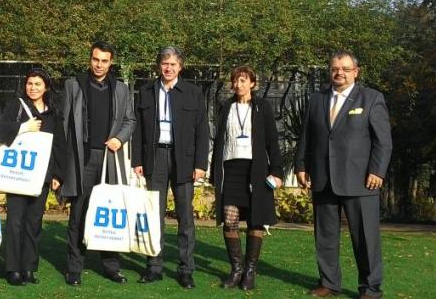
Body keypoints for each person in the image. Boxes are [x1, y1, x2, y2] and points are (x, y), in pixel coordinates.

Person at [296, 50, 392, 299]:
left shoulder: (371, 98)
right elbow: (306, 136)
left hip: (361, 180)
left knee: (365, 239)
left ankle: (370, 289)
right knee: (325, 237)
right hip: (323, 178)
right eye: (335, 69)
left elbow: (383, 141)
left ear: (355, 72)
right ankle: (328, 283)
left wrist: (377, 171)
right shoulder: (316, 99)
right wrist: (301, 166)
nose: (339, 73)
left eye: (345, 69)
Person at [132, 46, 210, 289]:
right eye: (165, 64)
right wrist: (137, 160)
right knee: (154, 215)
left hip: (183, 160)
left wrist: (200, 164)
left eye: (173, 64)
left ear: (180, 67)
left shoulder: (193, 92)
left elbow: (202, 130)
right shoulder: (146, 91)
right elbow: (137, 130)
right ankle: (154, 267)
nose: (168, 68)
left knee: (185, 218)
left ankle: (186, 270)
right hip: (155, 157)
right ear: (159, 66)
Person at [61, 41, 136, 286]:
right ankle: (74, 267)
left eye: (104, 61)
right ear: (90, 59)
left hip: (109, 158)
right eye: (96, 59)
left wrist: (119, 139)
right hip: (82, 159)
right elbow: (64, 122)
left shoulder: (121, 89)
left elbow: (130, 121)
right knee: (79, 213)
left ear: (111, 62)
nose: (99, 65)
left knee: (109, 212)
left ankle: (111, 267)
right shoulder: (73, 85)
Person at [210, 66, 284, 290]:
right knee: (229, 218)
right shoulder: (226, 106)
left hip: (256, 170)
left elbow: (272, 141)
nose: (238, 85)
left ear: (252, 83)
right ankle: (236, 269)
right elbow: (219, 140)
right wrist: (214, 173)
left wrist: (277, 172)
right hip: (230, 169)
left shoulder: (262, 107)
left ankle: (250, 271)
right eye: (235, 81)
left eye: (243, 80)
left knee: (255, 219)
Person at [0, 68, 68, 286]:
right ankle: (13, 269)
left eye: (38, 84)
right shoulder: (16, 106)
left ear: (46, 87)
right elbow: (0, 130)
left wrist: (57, 174)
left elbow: (59, 144)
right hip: (18, 175)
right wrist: (24, 127)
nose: (33, 88)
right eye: (30, 83)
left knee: (34, 223)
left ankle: (28, 268)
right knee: (15, 222)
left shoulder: (53, 112)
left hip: (42, 176)